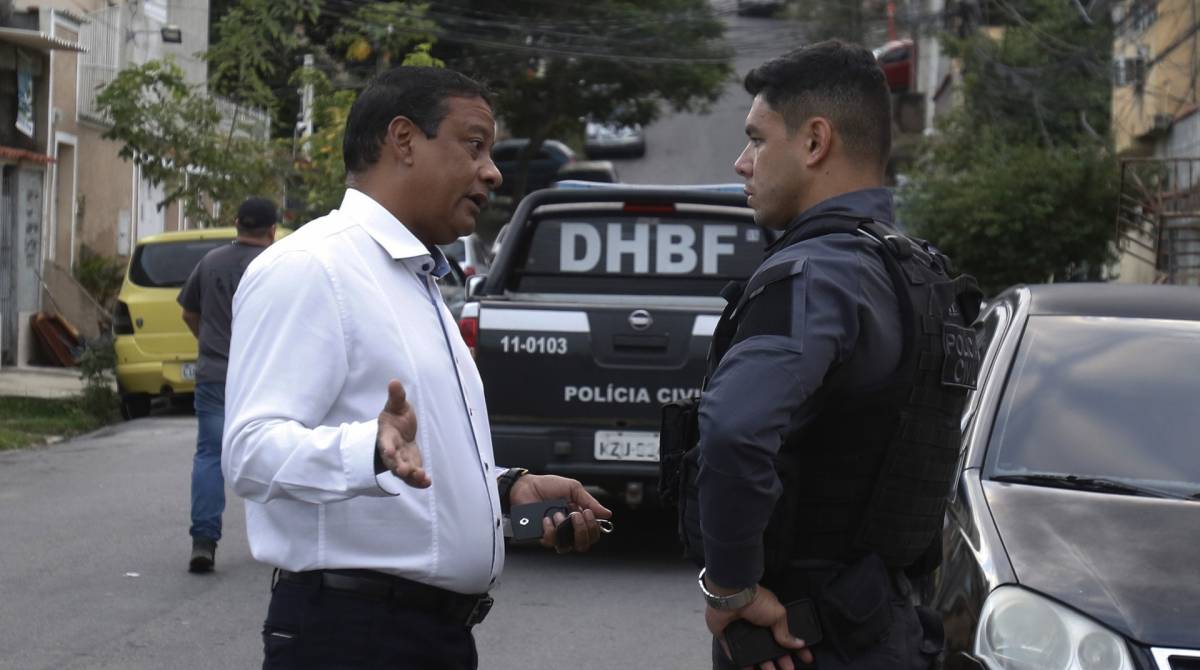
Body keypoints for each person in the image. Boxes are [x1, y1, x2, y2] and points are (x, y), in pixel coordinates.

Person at [222, 66, 612, 670]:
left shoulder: (416, 279)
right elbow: (249, 451)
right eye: (473, 145)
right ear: (403, 140)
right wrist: (368, 452)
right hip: (353, 637)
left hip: (428, 636)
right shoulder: (313, 267)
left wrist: (506, 492)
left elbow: (419, 466)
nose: (493, 169)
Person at [684, 42, 981, 669]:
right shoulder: (914, 270)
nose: (742, 163)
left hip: (804, 637)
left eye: (757, 140)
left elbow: (735, 429)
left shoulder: (815, 274)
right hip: (887, 621)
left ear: (815, 142)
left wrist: (732, 587)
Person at [178, 196, 278, 573]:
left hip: (216, 374)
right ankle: (278, 542)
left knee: (209, 455)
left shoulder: (211, 262)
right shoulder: (277, 264)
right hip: (266, 378)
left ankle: (203, 541)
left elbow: (189, 311)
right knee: (275, 452)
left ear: (236, 223)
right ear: (272, 229)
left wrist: (210, 341)